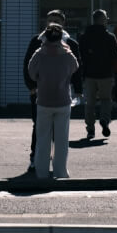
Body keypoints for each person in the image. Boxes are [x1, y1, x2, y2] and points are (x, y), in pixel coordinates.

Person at [23, 9, 81, 171]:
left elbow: (78, 69)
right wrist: (32, 87)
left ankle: (48, 165)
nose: (53, 23)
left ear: (64, 23)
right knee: (40, 128)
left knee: (52, 132)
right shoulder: (36, 41)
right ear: (45, 22)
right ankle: (39, 159)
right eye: (50, 20)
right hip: (42, 92)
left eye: (57, 20)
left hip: (58, 92)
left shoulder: (71, 43)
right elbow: (27, 66)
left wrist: (78, 89)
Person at [79, 9, 117, 139]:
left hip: (89, 74)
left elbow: (81, 56)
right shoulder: (110, 37)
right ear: (103, 20)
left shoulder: (84, 36)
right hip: (105, 74)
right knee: (106, 100)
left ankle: (90, 128)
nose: (107, 20)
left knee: (90, 103)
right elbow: (116, 56)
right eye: (106, 18)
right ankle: (104, 120)